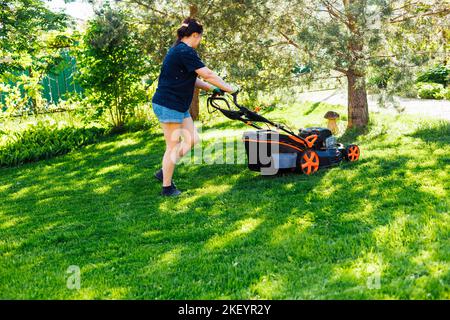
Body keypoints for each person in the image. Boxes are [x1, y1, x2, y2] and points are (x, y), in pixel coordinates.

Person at [152, 17, 238, 197]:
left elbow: (193, 79)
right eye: (199, 37)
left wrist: (213, 88)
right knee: (172, 146)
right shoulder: (185, 51)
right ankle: (167, 188)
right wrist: (229, 89)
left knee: (192, 140)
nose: (199, 41)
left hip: (178, 104)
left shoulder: (179, 49)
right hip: (169, 104)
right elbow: (207, 74)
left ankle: (164, 170)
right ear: (194, 35)